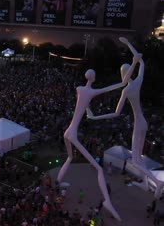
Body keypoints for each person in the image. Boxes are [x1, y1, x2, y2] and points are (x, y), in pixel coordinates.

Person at [57, 47, 140, 221]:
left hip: (68, 131)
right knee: (99, 169)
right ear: (93, 78)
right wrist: (133, 62)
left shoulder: (80, 89)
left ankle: (57, 182)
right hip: (72, 134)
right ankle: (108, 202)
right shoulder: (93, 92)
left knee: (70, 158)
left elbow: (82, 105)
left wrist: (89, 111)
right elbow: (122, 83)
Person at [87, 38, 163, 198]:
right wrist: (129, 44)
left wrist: (96, 117)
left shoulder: (126, 91)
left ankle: (158, 183)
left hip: (138, 124)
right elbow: (141, 62)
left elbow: (116, 113)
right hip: (144, 123)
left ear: (123, 74)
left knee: (136, 161)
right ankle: (144, 182)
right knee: (139, 157)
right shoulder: (139, 81)